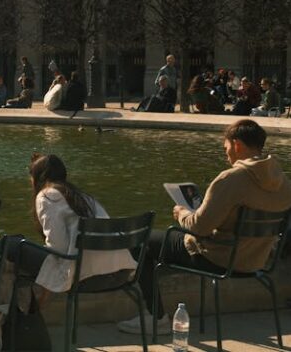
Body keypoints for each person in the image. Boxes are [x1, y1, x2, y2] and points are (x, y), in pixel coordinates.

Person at [117, 120, 291, 334]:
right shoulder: (284, 182)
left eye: (226, 148)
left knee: (141, 239)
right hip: (256, 262)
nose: (226, 154)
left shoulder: (231, 178)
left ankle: (157, 317)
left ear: (237, 144)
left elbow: (199, 228)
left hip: (218, 259)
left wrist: (182, 214)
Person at [11, 154, 136, 333]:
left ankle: (16, 322)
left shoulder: (46, 196)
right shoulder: (84, 197)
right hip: (119, 274)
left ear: (37, 178)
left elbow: (58, 248)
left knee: (13, 245)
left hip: (85, 278)